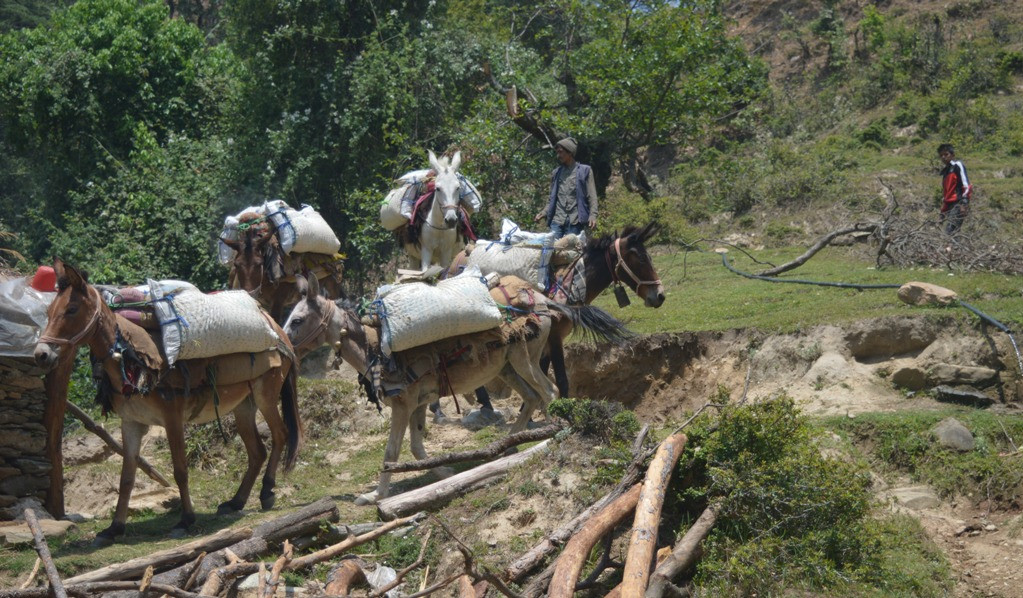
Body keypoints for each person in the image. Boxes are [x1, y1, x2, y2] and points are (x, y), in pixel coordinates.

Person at [534, 137, 598, 238]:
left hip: (575, 220)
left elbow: (592, 196)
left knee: (571, 251)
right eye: (557, 152)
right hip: (557, 219)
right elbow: (552, 198)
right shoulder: (556, 173)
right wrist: (543, 212)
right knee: (551, 249)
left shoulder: (585, 171)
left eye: (561, 152)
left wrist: (593, 215)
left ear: (570, 153)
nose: (558, 155)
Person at [937, 143, 972, 235]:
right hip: (949, 205)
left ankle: (953, 248)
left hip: (958, 203)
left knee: (950, 231)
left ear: (952, 155)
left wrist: (964, 203)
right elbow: (946, 194)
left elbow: (966, 184)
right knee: (953, 232)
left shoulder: (957, 165)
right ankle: (956, 248)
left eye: (946, 154)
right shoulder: (945, 172)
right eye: (941, 155)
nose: (944, 157)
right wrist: (943, 212)